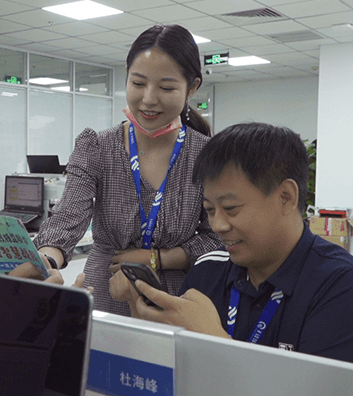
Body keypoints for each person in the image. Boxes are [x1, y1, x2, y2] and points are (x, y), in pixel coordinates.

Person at [125, 122, 353, 366]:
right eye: (210, 210)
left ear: (286, 197)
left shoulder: (346, 286)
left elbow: (315, 395)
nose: (218, 225)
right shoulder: (207, 271)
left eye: (231, 208)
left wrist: (212, 339)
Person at [33, 24, 222, 316]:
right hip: (105, 293)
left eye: (166, 88)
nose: (149, 99)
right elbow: (68, 217)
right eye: (138, 83)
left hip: (177, 299)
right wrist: (46, 261)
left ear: (192, 87)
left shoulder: (208, 155)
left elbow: (218, 238)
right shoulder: (97, 146)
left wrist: (159, 258)